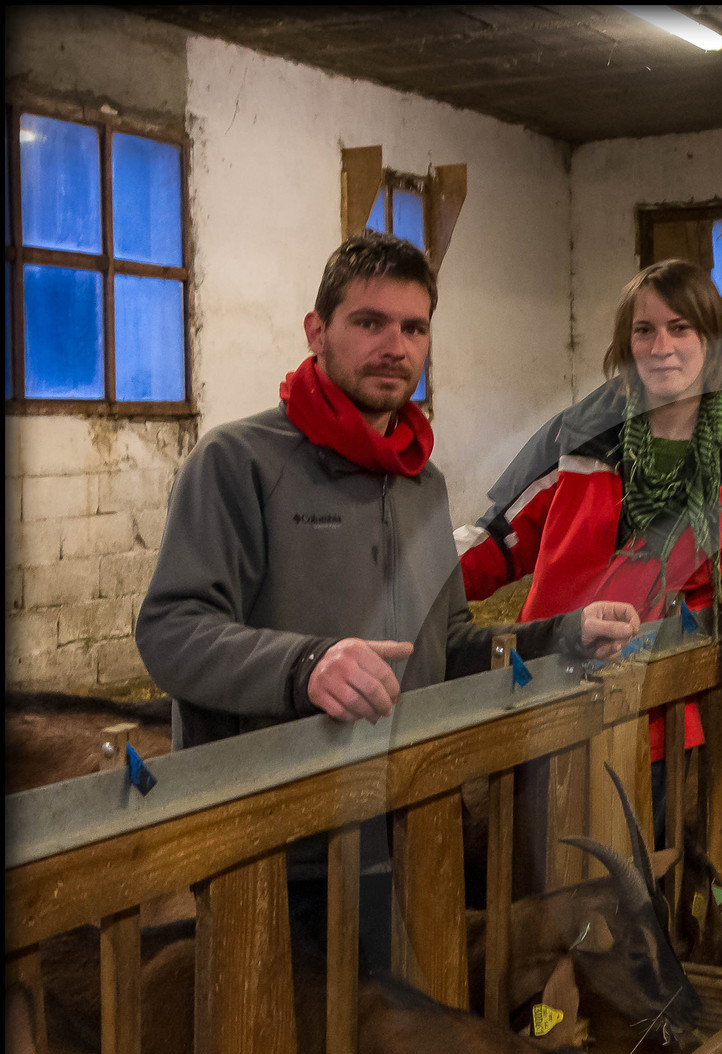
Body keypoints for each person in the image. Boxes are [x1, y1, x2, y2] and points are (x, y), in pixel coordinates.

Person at [136, 232, 638, 750]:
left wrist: (562, 636)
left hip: (400, 798)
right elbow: (170, 631)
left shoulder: (421, 483)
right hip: (272, 804)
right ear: (317, 331)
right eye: (369, 322)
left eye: (413, 328)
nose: (395, 347)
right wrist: (305, 668)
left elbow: (445, 646)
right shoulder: (238, 461)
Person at [455, 258, 722, 838]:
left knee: (630, 894)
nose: (661, 346)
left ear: (711, 342)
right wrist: (397, 585)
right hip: (540, 703)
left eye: (681, 328)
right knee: (526, 900)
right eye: (644, 330)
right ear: (626, 345)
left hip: (656, 732)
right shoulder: (576, 436)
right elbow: (494, 539)